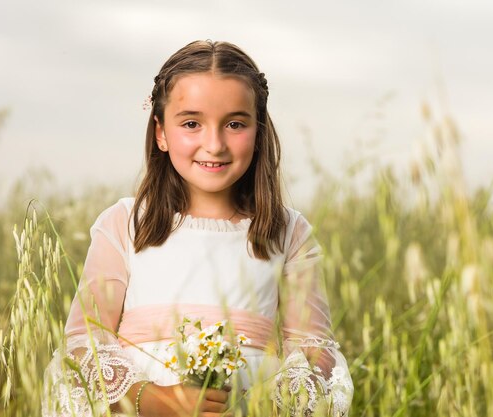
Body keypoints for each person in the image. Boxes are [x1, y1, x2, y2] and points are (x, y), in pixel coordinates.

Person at [42, 40, 353, 417]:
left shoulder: (288, 233)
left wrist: (261, 403)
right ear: (160, 132)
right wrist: (152, 398)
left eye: (235, 124)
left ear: (258, 132)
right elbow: (84, 343)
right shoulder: (124, 224)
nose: (214, 144)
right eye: (192, 123)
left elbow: (314, 350)